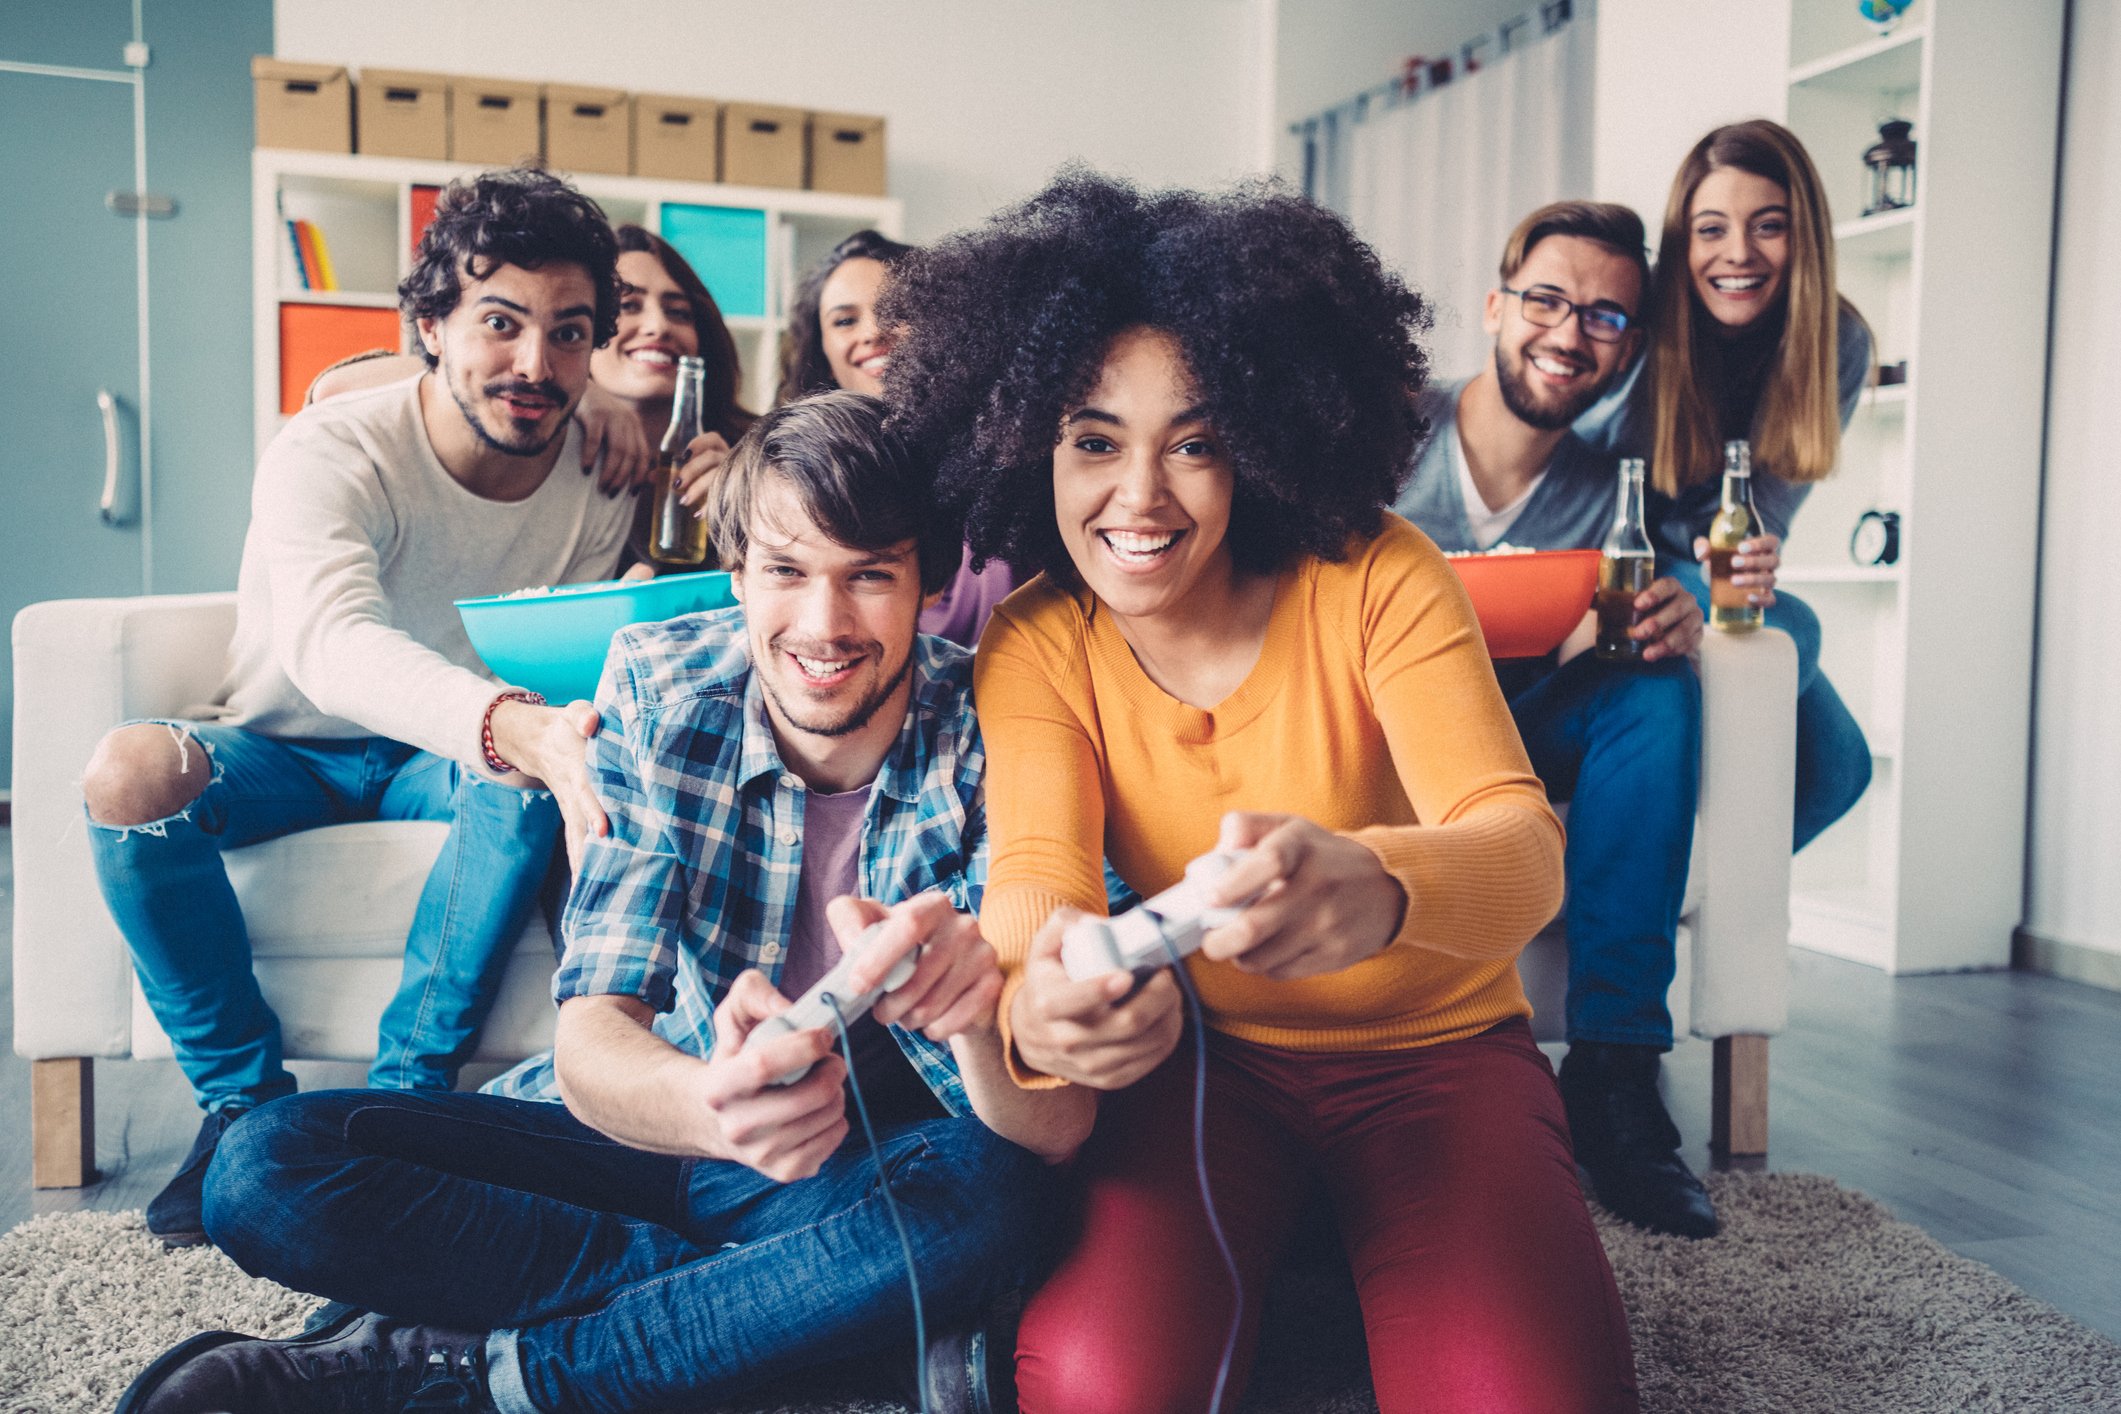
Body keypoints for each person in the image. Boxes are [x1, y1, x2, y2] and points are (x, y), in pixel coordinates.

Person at [115, 391, 1093, 1414]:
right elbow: (594, 1032)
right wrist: (711, 1110)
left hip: (870, 1158)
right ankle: (802, 1332)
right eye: (787, 571)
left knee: (998, 1199)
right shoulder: (660, 683)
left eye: (871, 577)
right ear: (737, 575)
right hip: (661, 1124)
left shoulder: (999, 725)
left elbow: (1055, 1128)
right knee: (263, 1165)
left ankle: (476, 1373)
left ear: (929, 583)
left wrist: (978, 1018)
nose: (824, 623)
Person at [885, 171, 1639, 1414]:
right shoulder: (1036, 639)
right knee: (1091, 1387)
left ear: (1269, 438)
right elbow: (1036, 879)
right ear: (1025, 445)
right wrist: (1047, 993)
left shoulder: (1378, 575)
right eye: (1092, 440)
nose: (1139, 497)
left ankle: (1339, 1274)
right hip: (1203, 1070)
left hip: (1441, 1058)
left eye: (1195, 441)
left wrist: (1383, 886)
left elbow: (1522, 843)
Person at [78, 167, 635, 1249]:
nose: (535, 363)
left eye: (569, 335)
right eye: (501, 324)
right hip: (283, 743)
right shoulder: (330, 447)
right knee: (126, 772)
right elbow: (330, 642)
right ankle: (244, 1103)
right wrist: (511, 719)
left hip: (448, 763)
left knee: (532, 772)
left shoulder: (604, 469)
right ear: (432, 324)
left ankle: (399, 1102)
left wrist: (528, 738)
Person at [1394, 200, 1717, 1239]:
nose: (1570, 333)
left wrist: (1684, 605)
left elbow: (1682, 580)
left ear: (1630, 349)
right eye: (1548, 298)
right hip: (1379, 737)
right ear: (1496, 305)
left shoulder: (1614, 492)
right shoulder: (1386, 431)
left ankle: (1617, 1075)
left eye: (1608, 317)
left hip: (1524, 730)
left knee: (1656, 682)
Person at [1579, 118, 1875, 850]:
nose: (1737, 253)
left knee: (1838, 769)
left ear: (1802, 235)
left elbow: (1756, 519)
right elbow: (1572, 465)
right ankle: (1638, 882)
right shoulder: (1641, 325)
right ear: (1684, 243)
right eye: (1711, 230)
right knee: (1795, 632)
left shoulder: (1836, 341)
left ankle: (1671, 892)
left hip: (1701, 570)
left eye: (1767, 226)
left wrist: (1742, 559)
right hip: (1604, 557)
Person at [315, 223, 751, 577]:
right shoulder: (535, 434)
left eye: (679, 311)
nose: (658, 326)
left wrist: (743, 520)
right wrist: (583, 395)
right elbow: (334, 390)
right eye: (629, 306)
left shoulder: (747, 452)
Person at [783, 228, 1017, 647]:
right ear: (822, 352)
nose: (873, 331)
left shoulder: (1012, 444)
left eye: (895, 309)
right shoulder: (793, 478)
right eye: (844, 320)